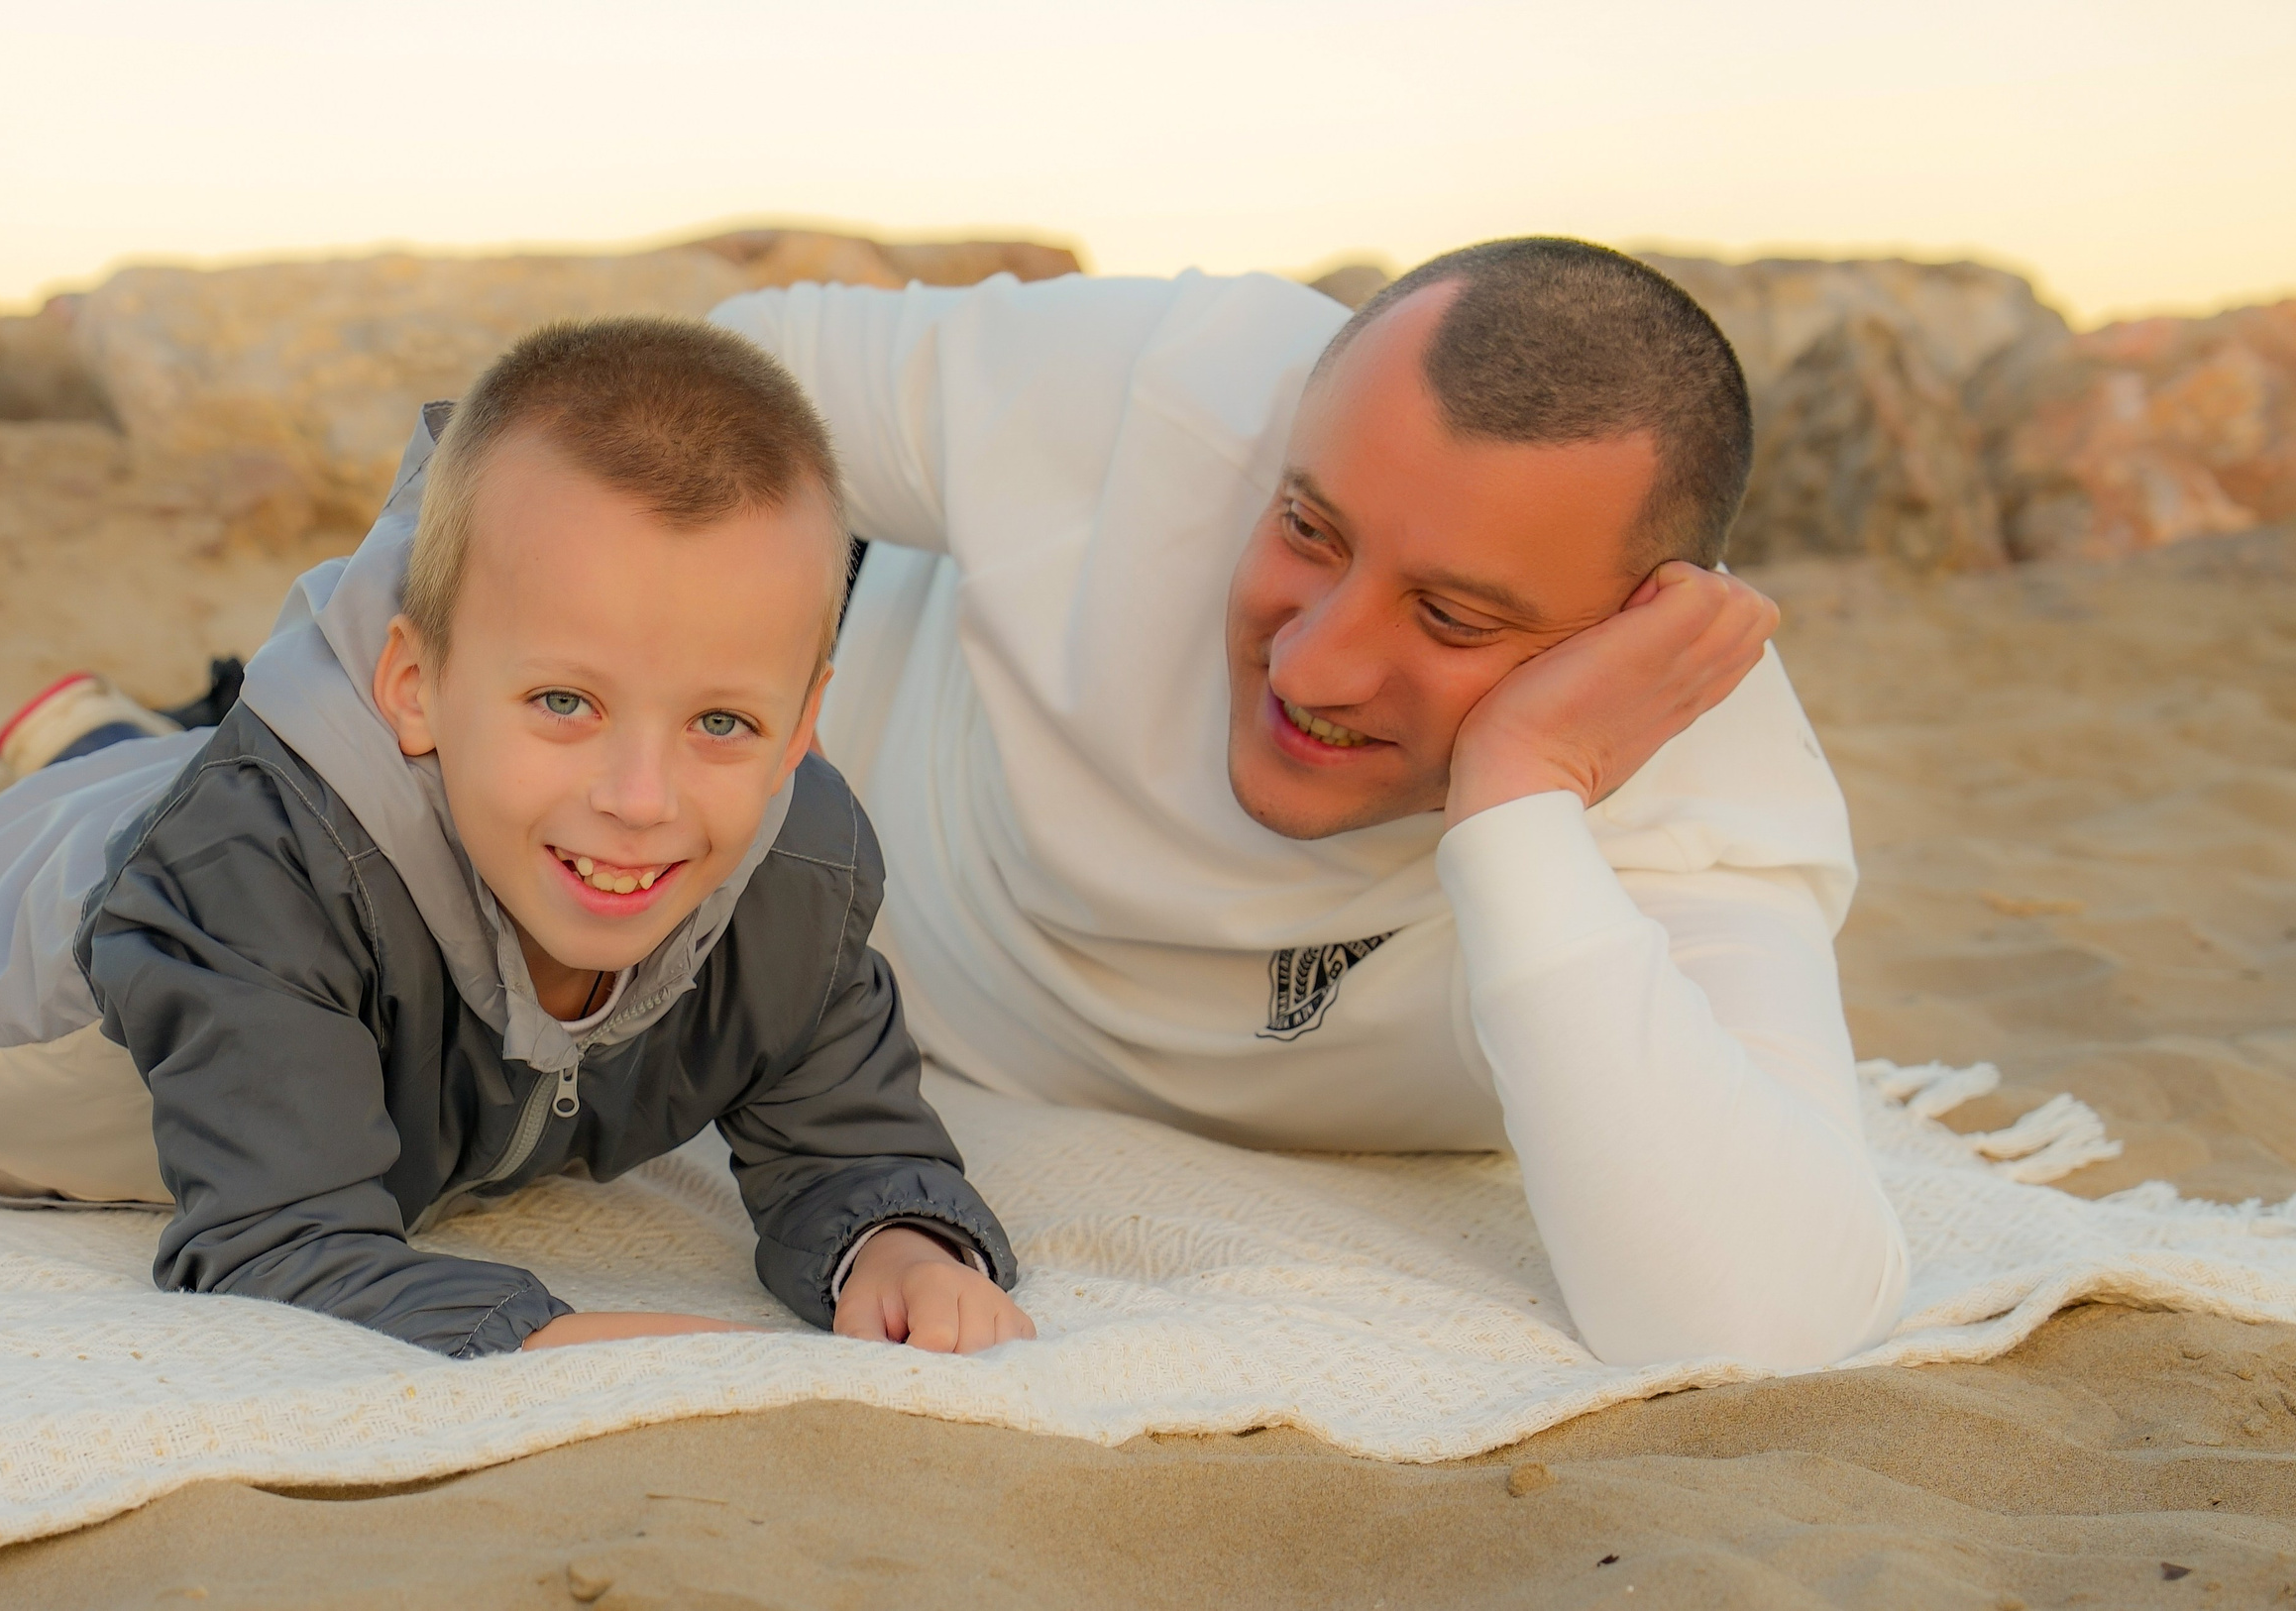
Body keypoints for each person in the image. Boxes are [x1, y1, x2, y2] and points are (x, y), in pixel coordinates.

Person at [710, 237, 1909, 1370]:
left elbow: (1759, 1318)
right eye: (1306, 529)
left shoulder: (1707, 809)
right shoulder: (1168, 381)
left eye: (1451, 618)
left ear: (1633, 634)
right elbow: (697, 389)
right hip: (788, 831)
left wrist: (1517, 801)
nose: (1311, 669)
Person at [0, 318, 1034, 1358]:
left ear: (804, 722)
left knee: (204, 786)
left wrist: (899, 1242)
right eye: (564, 702)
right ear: (410, 684)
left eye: (719, 720)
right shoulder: (254, 876)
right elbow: (278, 1241)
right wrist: (540, 1341)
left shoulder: (790, 877)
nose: (641, 797)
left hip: (227, 800)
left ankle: (99, 732)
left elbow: (847, 1139)